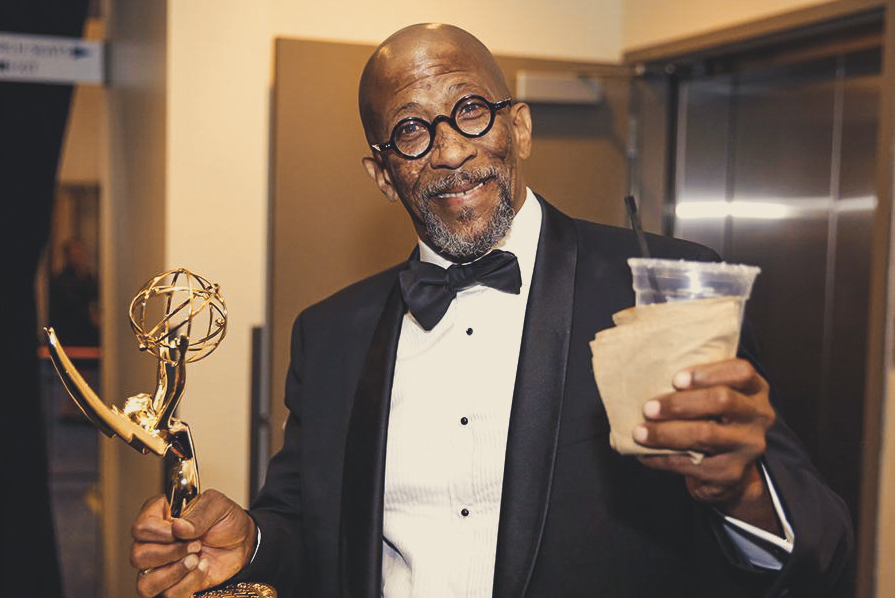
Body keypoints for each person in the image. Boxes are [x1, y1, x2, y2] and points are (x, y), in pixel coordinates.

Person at [130, 23, 853, 598]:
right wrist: (253, 542)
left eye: (469, 110)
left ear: (520, 129)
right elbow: (309, 527)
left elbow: (820, 542)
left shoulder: (664, 288)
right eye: (411, 130)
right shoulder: (328, 334)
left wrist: (745, 488)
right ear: (384, 175)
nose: (448, 150)